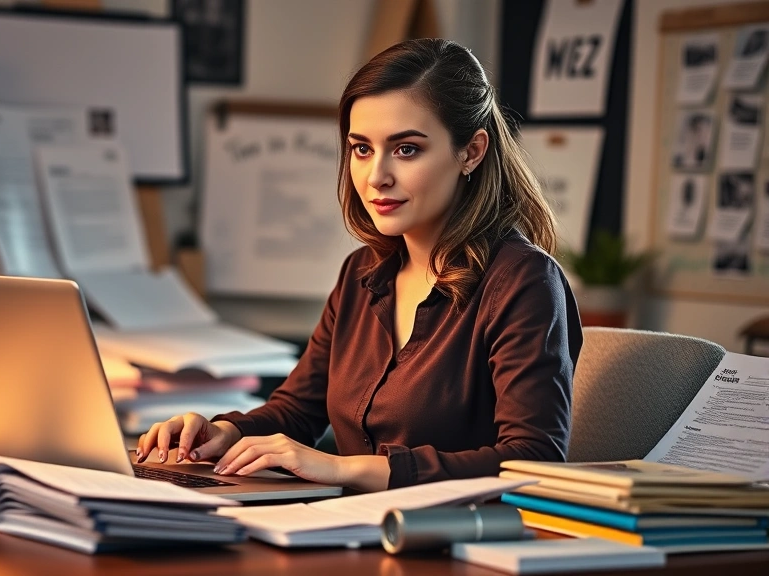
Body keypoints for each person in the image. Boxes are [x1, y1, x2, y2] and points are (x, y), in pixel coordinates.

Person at [137, 38, 582, 492]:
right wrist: (224, 432)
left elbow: (535, 458)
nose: (376, 177)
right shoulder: (361, 274)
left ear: (471, 151)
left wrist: (342, 468)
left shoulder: (523, 282)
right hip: (347, 530)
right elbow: (297, 410)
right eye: (362, 149)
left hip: (450, 545)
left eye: (406, 149)